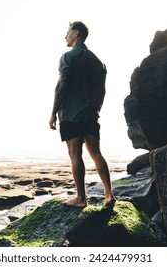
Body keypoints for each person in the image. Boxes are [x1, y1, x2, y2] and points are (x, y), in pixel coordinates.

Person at [49, 21, 116, 208]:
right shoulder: (98, 62)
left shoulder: (68, 57)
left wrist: (53, 113)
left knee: (75, 155)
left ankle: (81, 198)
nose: (65, 36)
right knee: (96, 153)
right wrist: (95, 109)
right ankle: (109, 195)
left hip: (71, 114)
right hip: (91, 113)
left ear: (76, 33)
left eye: (67, 32)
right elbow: (102, 91)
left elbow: (62, 86)